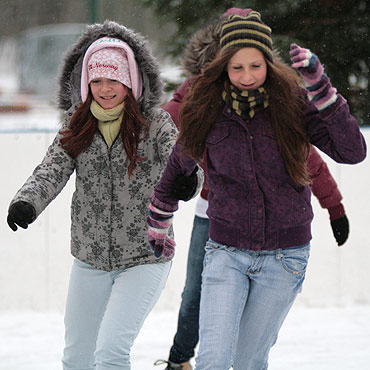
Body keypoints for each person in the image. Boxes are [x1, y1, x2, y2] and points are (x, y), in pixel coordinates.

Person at [148, 11, 366, 370]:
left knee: (249, 361)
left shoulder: (293, 102)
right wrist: (159, 216)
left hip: (285, 256)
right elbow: (178, 162)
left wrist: (322, 91)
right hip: (226, 251)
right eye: (237, 68)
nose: (247, 77)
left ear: (269, 62)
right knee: (214, 360)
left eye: (255, 65)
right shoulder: (206, 103)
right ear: (223, 66)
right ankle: (178, 358)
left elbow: (351, 152)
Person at [6, 21, 202, 370]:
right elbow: (51, 168)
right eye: (96, 80)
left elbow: (183, 159)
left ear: (130, 81)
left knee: (110, 353)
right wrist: (27, 201)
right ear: (86, 83)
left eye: (114, 79)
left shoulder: (154, 123)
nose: (105, 88)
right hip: (89, 258)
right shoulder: (76, 123)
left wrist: (190, 181)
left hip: (146, 256)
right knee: (77, 358)